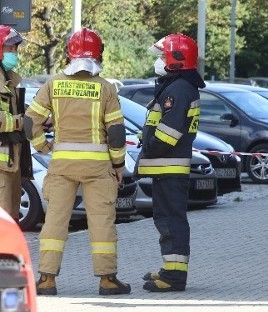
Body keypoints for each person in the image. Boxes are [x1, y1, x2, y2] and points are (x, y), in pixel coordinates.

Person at [24, 27, 130, 296]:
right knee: (102, 220)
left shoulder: (54, 84)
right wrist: (118, 166)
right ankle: (107, 280)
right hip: (98, 167)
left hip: (62, 166)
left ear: (69, 54)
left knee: (55, 221)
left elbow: (29, 122)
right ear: (99, 54)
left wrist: (44, 146)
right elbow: (116, 134)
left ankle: (47, 279)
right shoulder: (105, 88)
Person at [137, 34, 204, 292]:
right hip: (167, 168)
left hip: (169, 167)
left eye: (163, 56)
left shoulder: (178, 90)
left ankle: (174, 277)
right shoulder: (179, 86)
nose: (159, 60)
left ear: (176, 59)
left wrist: (148, 148)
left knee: (170, 222)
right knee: (167, 220)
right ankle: (170, 268)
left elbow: (168, 133)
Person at [0, 26, 30, 221]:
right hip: (3, 166)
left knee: (10, 219)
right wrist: (23, 122)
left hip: (10, 161)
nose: (14, 54)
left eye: (16, 49)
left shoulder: (8, 79)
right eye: (10, 49)